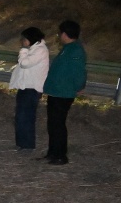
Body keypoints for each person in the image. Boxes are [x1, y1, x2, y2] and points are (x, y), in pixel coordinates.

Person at [42, 20, 86, 165]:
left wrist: (78, 86)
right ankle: (52, 152)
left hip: (63, 93)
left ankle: (60, 155)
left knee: (58, 124)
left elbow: (79, 72)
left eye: (60, 33)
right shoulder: (68, 48)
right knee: (53, 124)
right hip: (56, 91)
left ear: (65, 34)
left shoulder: (75, 50)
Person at [9, 26, 49, 151]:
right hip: (25, 87)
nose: (23, 41)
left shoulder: (40, 50)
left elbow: (25, 63)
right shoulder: (35, 49)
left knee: (25, 116)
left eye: (24, 39)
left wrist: (23, 50)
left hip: (32, 88)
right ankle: (22, 143)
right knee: (21, 116)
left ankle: (27, 144)